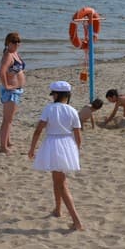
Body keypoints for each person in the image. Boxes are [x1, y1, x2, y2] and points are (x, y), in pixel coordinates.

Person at [29, 81, 83, 231]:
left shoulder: (49, 109)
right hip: (67, 144)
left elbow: (38, 130)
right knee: (56, 178)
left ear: (56, 95)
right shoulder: (72, 110)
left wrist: (32, 148)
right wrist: (75, 151)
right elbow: (78, 135)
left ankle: (77, 221)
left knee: (62, 183)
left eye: (53, 94)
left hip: (53, 143)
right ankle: (58, 209)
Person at [0, 32, 26, 153]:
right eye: (14, 42)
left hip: (16, 90)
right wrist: (7, 85)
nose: (17, 44)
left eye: (18, 42)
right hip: (11, 91)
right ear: (8, 43)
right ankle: (3, 147)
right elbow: (1, 72)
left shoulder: (14, 53)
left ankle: (7, 141)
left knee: (10, 119)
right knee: (7, 119)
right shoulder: (8, 55)